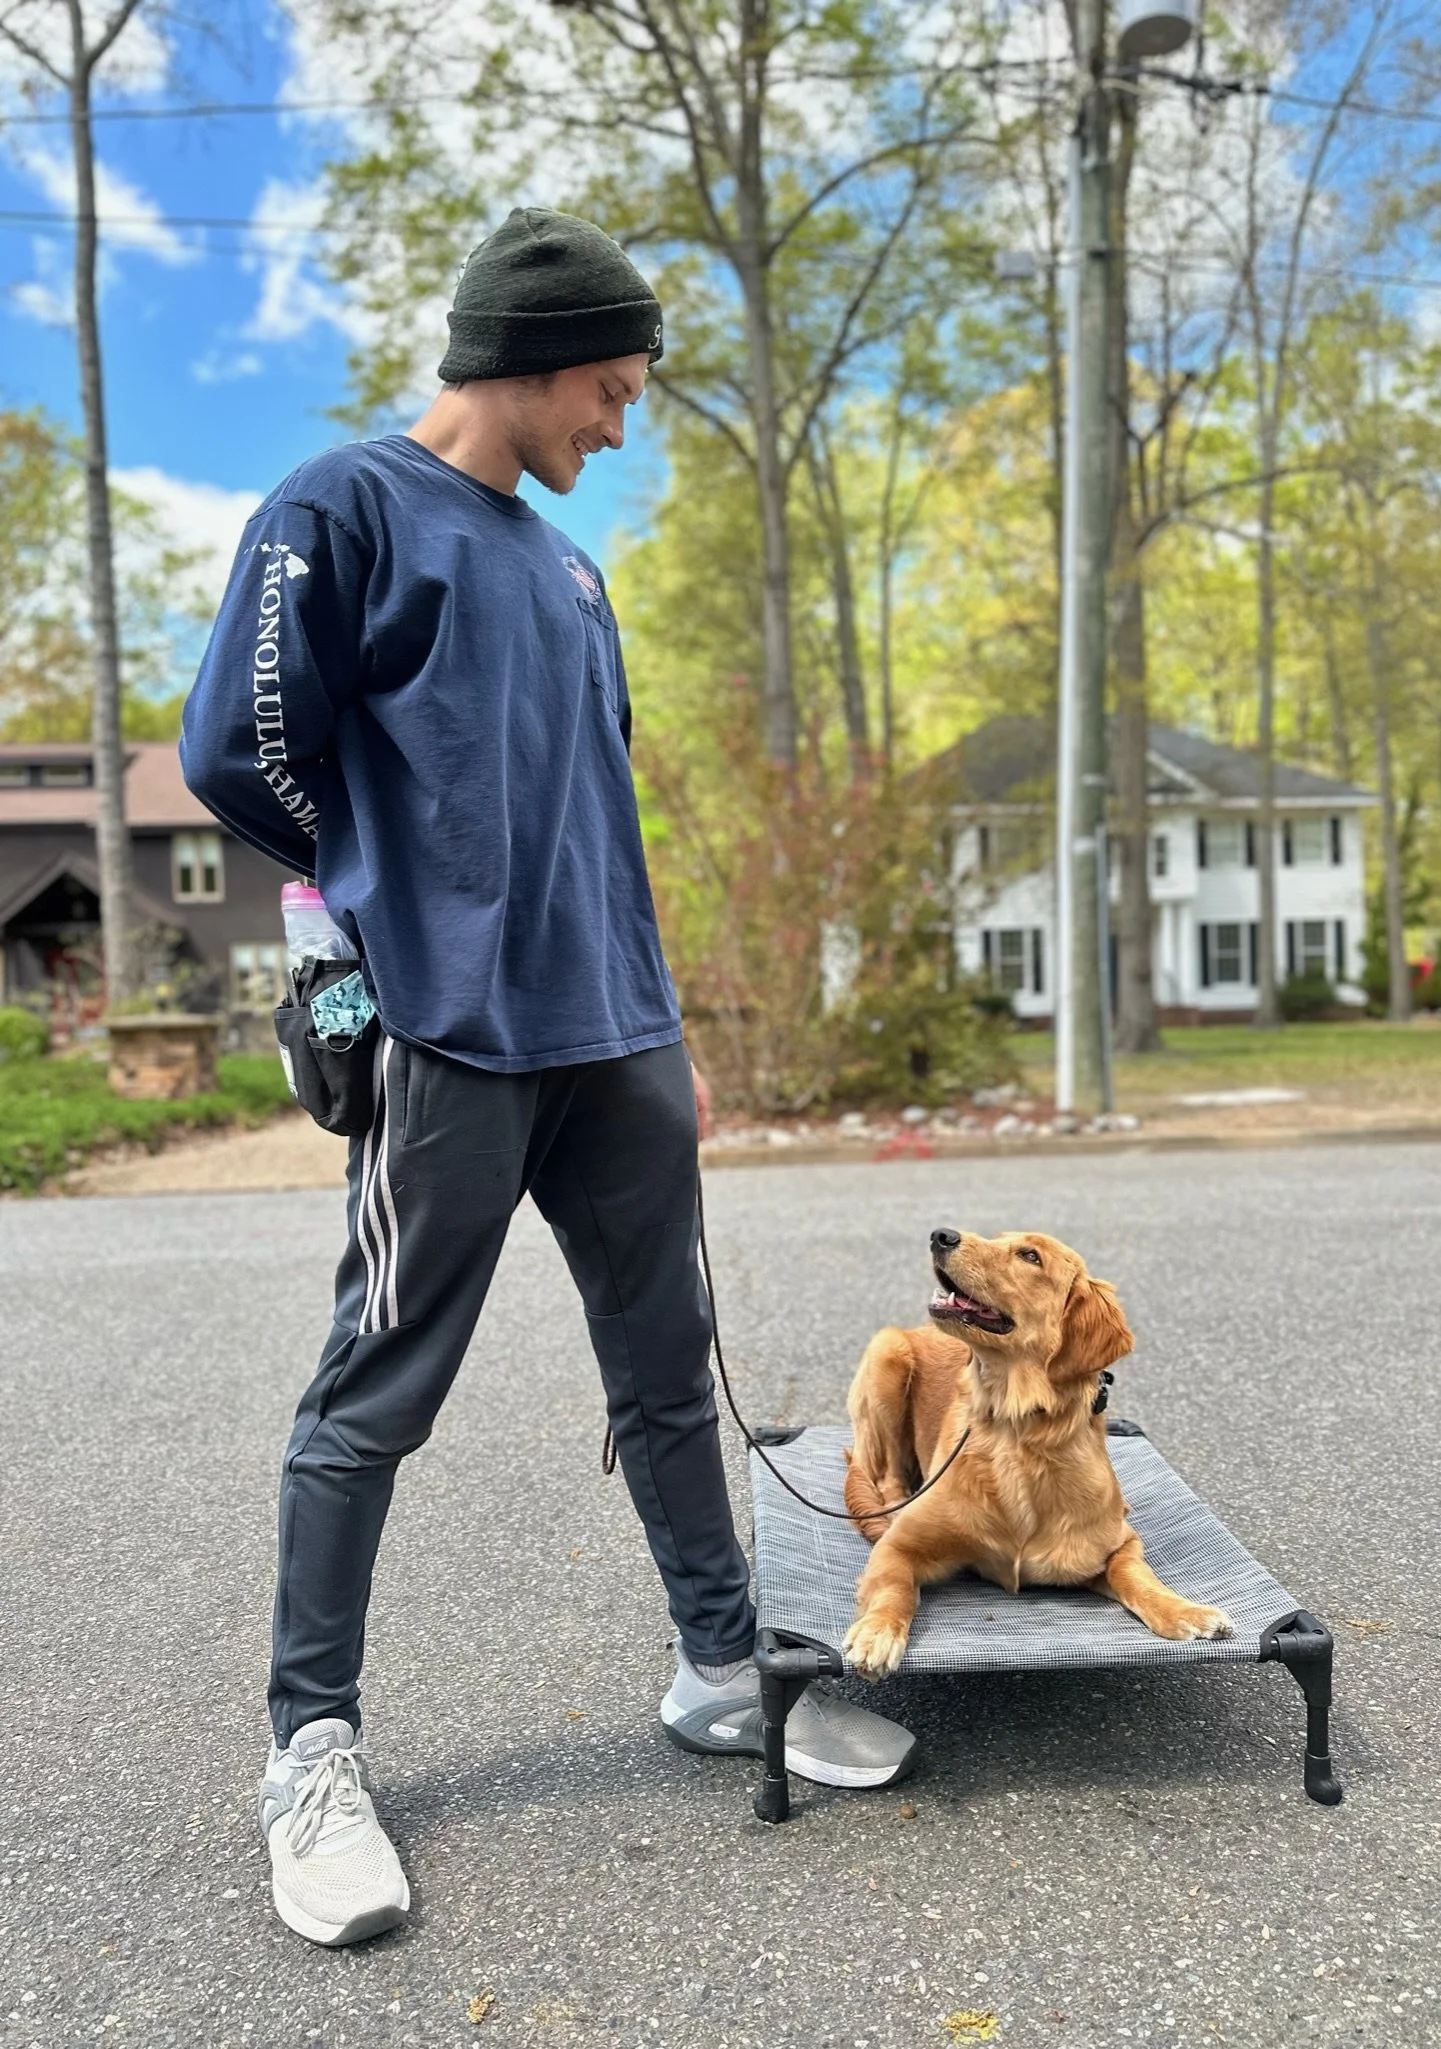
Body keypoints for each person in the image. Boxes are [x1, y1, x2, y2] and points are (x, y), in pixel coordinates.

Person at [180, 208, 915, 1950]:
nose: (621, 418)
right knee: (378, 1392)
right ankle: (313, 1750)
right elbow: (241, 744)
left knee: (667, 1370)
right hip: (448, 1037)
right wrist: (338, 928)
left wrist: (666, 1029)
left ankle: (723, 1670)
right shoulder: (339, 508)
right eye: (612, 385)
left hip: (617, 1039)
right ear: (528, 356)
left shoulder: (569, 572)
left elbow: (601, 817)